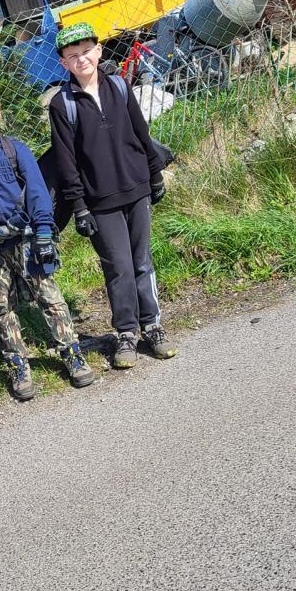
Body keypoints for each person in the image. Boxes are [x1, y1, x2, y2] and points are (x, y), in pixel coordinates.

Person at [0, 84, 96, 401]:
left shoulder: (16, 151)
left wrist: (44, 232)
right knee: (3, 309)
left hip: (27, 241)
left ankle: (72, 353)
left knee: (50, 298)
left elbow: (37, 193)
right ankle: (18, 365)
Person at [49, 22, 177, 369]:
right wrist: (79, 207)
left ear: (99, 50)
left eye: (86, 51)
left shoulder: (120, 86)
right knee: (118, 268)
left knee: (142, 261)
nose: (82, 59)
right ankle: (125, 333)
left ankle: (152, 326)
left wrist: (155, 175)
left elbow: (141, 132)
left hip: (137, 188)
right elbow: (66, 162)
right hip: (99, 201)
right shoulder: (62, 104)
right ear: (63, 62)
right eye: (73, 55)